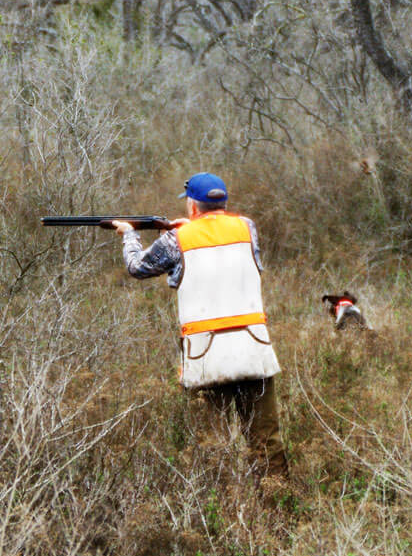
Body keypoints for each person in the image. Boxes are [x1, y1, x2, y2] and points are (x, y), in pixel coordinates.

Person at [111, 172, 288, 478]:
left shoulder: (176, 239)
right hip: (254, 350)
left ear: (192, 206)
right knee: (265, 442)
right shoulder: (248, 228)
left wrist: (129, 233)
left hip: (206, 357)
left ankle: (218, 515)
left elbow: (137, 267)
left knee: (211, 446)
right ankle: (278, 508)